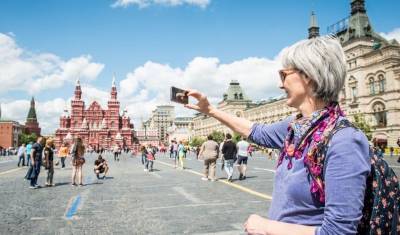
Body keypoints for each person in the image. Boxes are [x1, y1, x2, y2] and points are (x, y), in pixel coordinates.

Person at [183, 36, 370, 234]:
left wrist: (267, 226)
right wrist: (211, 110)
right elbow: (256, 131)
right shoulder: (295, 127)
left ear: (308, 76)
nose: (280, 85)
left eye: (283, 75)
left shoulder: (344, 140)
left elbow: (338, 231)